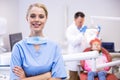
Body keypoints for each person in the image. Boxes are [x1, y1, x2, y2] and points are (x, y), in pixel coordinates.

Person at [10, 3, 67, 80]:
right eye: (33, 16)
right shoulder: (18, 48)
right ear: (27, 18)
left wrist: (25, 78)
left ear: (46, 19)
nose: (37, 19)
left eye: (41, 16)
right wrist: (46, 76)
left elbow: (58, 78)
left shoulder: (54, 47)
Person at [65, 11, 89, 80]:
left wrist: (96, 34)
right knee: (73, 78)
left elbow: (87, 42)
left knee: (82, 78)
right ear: (75, 20)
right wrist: (81, 33)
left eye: (83, 21)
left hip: (82, 59)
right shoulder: (70, 29)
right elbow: (73, 42)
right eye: (80, 22)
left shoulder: (83, 28)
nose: (81, 24)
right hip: (74, 59)